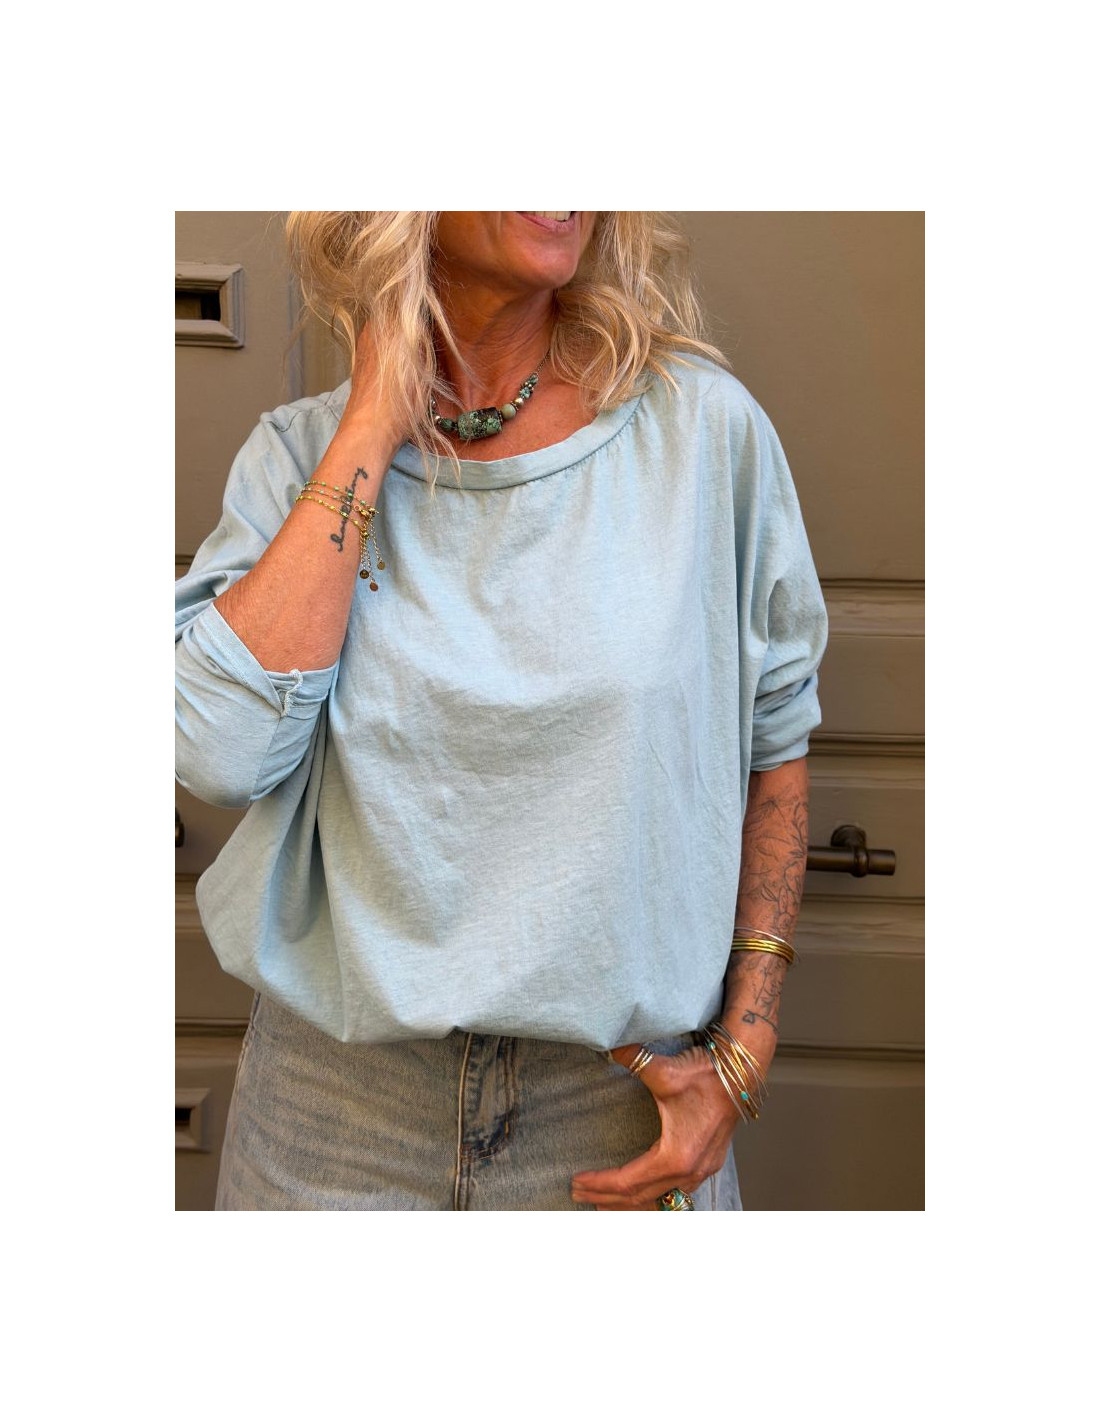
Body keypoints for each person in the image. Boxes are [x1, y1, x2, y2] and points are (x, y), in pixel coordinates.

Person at [175, 211, 828, 1211]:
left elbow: (773, 744)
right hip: (332, 1114)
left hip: (616, 1107)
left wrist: (746, 1043)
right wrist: (370, 423)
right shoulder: (299, 454)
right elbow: (218, 753)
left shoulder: (702, 435)